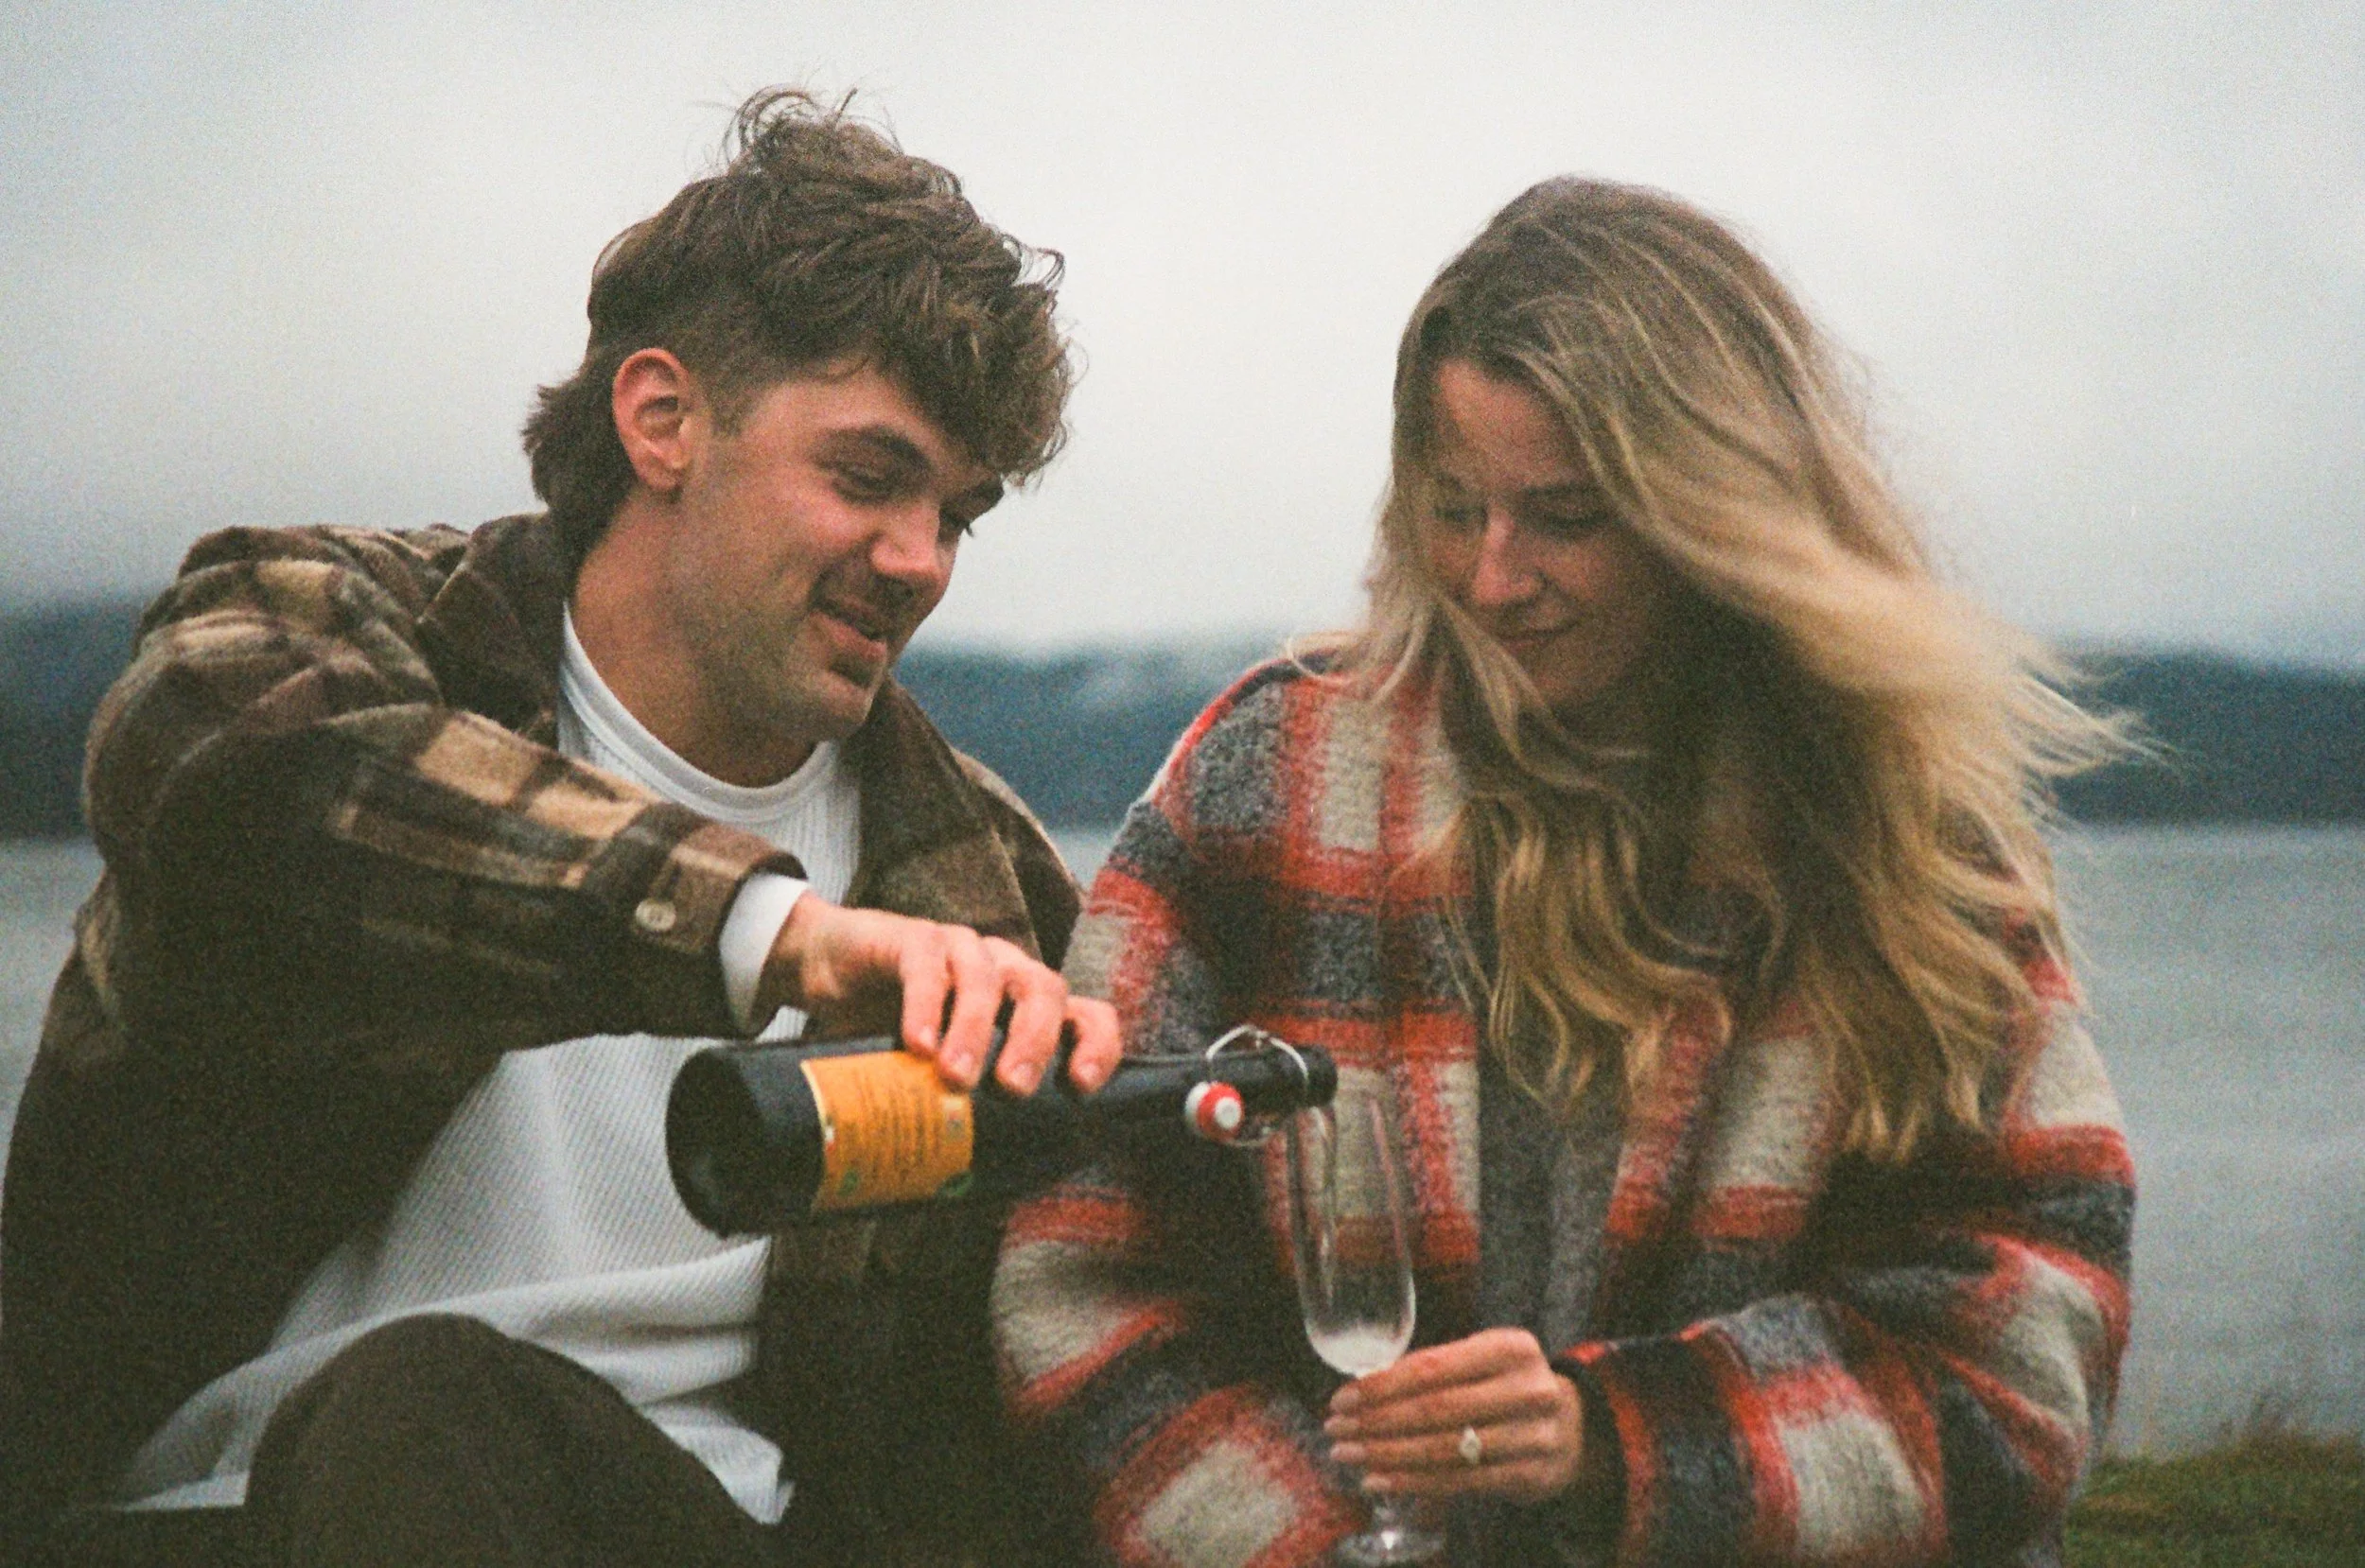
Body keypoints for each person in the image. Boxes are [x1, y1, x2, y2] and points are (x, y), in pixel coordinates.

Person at [1, 88, 1121, 1568]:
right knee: (423, 1406)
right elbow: (220, 774)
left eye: (959, 515)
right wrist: (765, 932)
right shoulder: (325, 637)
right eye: (867, 477)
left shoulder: (980, 879)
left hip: (710, 1530)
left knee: (446, 1411)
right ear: (661, 418)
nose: (918, 561)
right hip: (208, 1517)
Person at [995, 178, 2135, 1565]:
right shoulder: (1268, 783)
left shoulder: (1902, 840)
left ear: (1714, 515)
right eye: (1454, 503)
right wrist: (1301, 1548)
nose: (1490, 577)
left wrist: (1618, 1441)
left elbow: (2022, 1350)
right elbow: (1082, 1271)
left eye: (1567, 514)